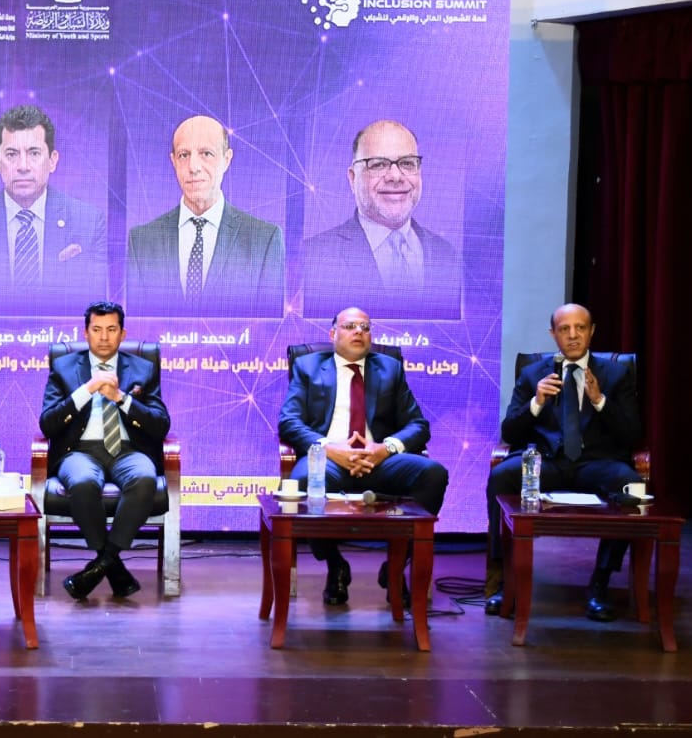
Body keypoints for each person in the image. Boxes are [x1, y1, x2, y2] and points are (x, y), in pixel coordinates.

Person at [278, 307, 449, 606]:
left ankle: (396, 565)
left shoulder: (389, 369)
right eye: (350, 326)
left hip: (380, 461)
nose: (359, 331)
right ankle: (335, 564)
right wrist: (331, 448)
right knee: (302, 480)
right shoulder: (308, 366)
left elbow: (418, 425)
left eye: (365, 327)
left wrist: (385, 448)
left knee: (433, 474)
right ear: (333, 334)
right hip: (329, 461)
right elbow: (289, 422)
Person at [484, 303, 642, 621]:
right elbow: (509, 433)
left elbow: (632, 434)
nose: (573, 335)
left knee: (632, 486)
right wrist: (536, 402)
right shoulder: (533, 374)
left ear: (591, 332)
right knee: (501, 476)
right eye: (564, 329)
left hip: (596, 463)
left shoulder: (615, 373)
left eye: (580, 328)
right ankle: (505, 579)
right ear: (553, 334)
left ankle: (600, 582)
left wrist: (599, 400)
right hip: (547, 463)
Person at [39, 301, 171, 599]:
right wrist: (86, 390)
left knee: (144, 478)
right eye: (96, 329)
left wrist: (121, 398)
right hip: (79, 451)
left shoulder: (143, 368)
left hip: (129, 449)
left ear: (122, 334)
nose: (103, 337)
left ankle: (101, 564)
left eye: (111, 330)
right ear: (85, 333)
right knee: (83, 482)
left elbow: (160, 425)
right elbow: (48, 424)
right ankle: (113, 567)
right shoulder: (63, 367)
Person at [0, 104, 107, 315]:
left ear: (52, 161)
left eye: (34, 153)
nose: (23, 166)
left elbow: (95, 310)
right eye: (11, 154)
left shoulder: (89, 223)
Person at [126, 115, 285, 318]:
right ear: (173, 161)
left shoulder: (264, 240)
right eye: (184, 155)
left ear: (227, 159)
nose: (193, 167)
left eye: (206, 153)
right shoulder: (142, 241)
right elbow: (140, 328)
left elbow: (269, 331)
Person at [302, 120, 460, 320]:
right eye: (378, 165)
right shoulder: (313, 257)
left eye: (407, 163)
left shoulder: (447, 256)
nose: (395, 176)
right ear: (352, 178)